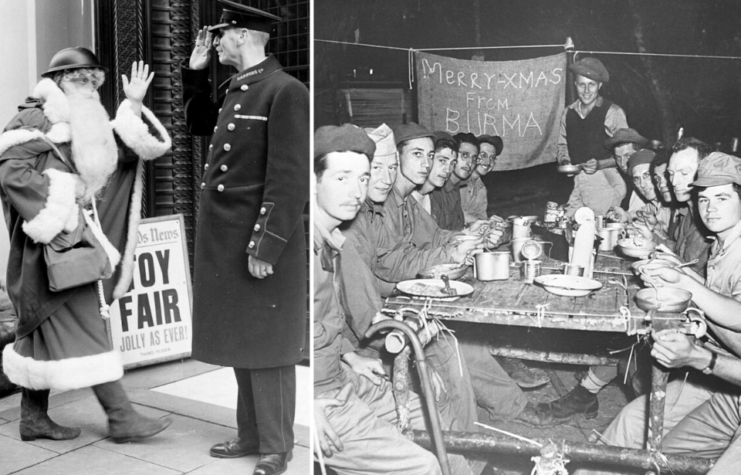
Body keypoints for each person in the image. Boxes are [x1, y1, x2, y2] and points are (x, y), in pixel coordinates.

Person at [0, 47, 172, 442]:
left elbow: (124, 155)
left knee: (41, 325)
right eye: (79, 79)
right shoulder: (34, 118)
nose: (89, 86)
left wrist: (132, 104)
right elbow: (11, 176)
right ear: (59, 81)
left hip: (66, 245)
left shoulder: (80, 117)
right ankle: (121, 417)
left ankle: (32, 418)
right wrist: (64, 199)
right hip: (47, 247)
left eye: (93, 79)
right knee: (85, 325)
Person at [180, 2, 309, 474]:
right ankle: (251, 434)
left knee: (269, 345)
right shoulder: (241, 88)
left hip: (259, 238)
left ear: (244, 36)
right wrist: (194, 75)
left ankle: (278, 446)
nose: (214, 43)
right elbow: (199, 125)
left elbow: (289, 179)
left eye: (221, 34)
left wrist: (267, 244)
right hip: (227, 237)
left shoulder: (285, 91)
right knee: (242, 338)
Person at [312, 124, 473, 475]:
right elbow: (274, 337)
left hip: (342, 373)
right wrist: (304, 403)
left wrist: (348, 357)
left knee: (436, 417)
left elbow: (319, 321)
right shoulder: (307, 245)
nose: (357, 191)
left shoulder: (331, 238)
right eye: (342, 178)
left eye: (362, 178)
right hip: (319, 396)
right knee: (424, 465)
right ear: (313, 180)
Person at [577, 152, 741, 475]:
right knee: (644, 439)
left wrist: (685, 286)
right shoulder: (722, 245)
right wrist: (677, 271)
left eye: (722, 197)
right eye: (703, 198)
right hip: (727, 394)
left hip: (722, 377)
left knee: (660, 457)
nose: (710, 208)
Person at [557, 57, 628, 218]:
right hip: (580, 182)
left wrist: (600, 164)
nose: (587, 91)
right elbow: (562, 146)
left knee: (599, 233)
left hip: (606, 183)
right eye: (582, 84)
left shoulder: (613, 112)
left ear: (600, 85)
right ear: (575, 85)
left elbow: (627, 155)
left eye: (592, 85)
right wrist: (565, 162)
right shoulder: (568, 113)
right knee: (566, 224)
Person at [430, 132, 477, 230]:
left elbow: (456, 228)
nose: (470, 163)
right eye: (465, 155)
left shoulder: (454, 188)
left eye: (474, 158)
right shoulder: (434, 189)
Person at [602, 128, 649, 222]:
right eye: (618, 158)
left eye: (627, 156)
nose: (623, 164)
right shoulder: (629, 179)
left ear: (640, 152)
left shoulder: (649, 177)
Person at [412, 132, 458, 215]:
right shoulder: (407, 197)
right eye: (442, 161)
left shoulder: (436, 198)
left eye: (452, 164)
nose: (448, 170)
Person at [460, 134, 501, 223]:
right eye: (483, 155)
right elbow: (455, 214)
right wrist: (484, 222)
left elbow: (481, 219)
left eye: (492, 158)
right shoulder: (457, 182)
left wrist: (490, 223)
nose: (488, 162)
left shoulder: (481, 189)